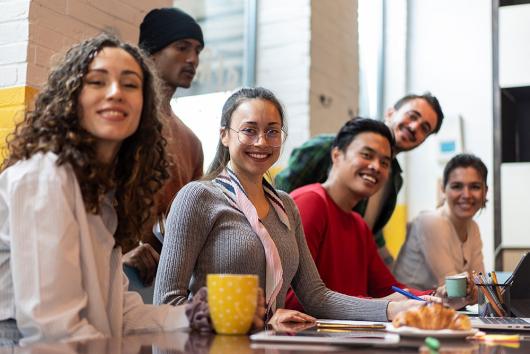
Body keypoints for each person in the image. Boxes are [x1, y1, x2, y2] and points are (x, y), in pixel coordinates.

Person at [0, 34, 248, 345]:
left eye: (130, 84)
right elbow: (54, 328)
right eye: (97, 82)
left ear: (144, 106)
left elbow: (122, 315)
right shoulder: (43, 177)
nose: (116, 93)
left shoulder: (103, 196)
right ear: (72, 97)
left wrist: (191, 315)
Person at [154, 87, 426, 324]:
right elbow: (167, 305)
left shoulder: (285, 205)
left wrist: (394, 308)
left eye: (272, 131)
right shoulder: (198, 197)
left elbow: (317, 297)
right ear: (225, 135)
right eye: (249, 130)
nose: (262, 142)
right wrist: (257, 319)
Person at [275, 93, 444, 266]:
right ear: (390, 112)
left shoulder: (394, 180)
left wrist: (388, 269)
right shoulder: (325, 147)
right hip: (294, 265)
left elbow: (370, 231)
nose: (415, 127)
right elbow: (276, 199)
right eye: (412, 116)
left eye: (425, 128)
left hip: (339, 269)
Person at [285, 118, 432, 312]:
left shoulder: (359, 226)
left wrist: (438, 297)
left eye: (384, 162)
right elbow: (292, 299)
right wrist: (376, 306)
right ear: (337, 154)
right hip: (309, 339)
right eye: (366, 155)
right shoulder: (310, 203)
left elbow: (389, 290)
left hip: (350, 337)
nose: (376, 167)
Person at [123, 7, 205, 285]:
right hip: (111, 272)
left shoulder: (192, 142)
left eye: (197, 51)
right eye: (182, 48)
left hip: (165, 282)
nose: (192, 59)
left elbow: (190, 222)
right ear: (151, 52)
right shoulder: (122, 120)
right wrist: (112, 258)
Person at [393, 153, 487, 291]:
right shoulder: (431, 222)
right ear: (443, 189)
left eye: (475, 187)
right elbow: (455, 290)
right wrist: (476, 291)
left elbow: (482, 286)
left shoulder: (473, 227)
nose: (466, 195)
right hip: (407, 307)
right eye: (457, 186)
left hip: (441, 306)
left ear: (485, 191)